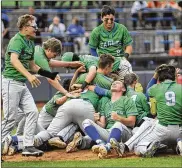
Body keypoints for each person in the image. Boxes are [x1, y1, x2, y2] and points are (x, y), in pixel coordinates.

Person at [1, 14, 58, 157]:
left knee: (33, 112)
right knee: (9, 119)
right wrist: (29, 76)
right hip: (10, 82)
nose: (36, 29)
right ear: (25, 27)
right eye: (34, 26)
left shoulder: (30, 43)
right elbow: (14, 61)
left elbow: (32, 65)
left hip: (21, 83)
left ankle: (28, 146)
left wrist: (48, 74)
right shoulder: (16, 41)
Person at [111, 64, 182, 158]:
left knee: (139, 147)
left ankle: (132, 147)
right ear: (174, 76)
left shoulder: (156, 88)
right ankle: (176, 145)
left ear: (160, 76)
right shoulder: (180, 88)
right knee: (150, 121)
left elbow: (148, 90)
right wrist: (175, 78)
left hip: (162, 129)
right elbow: (176, 89)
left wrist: (155, 75)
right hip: (180, 130)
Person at [82, 80, 138, 159]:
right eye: (113, 83)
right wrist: (96, 121)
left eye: (117, 83)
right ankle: (101, 145)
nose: (114, 83)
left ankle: (107, 147)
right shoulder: (106, 104)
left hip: (125, 133)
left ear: (123, 89)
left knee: (117, 124)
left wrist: (119, 118)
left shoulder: (127, 100)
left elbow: (132, 122)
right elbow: (103, 125)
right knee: (86, 122)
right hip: (109, 133)